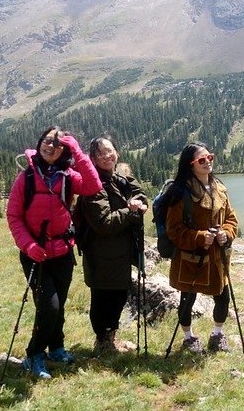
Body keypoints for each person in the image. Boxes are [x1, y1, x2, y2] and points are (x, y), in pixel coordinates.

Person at [6, 126, 102, 379]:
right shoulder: (25, 178)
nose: (51, 146)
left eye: (59, 144)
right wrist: (28, 245)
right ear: (39, 143)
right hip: (35, 254)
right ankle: (34, 354)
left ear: (65, 150)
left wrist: (79, 152)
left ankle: (56, 348)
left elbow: (93, 186)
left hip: (62, 251)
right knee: (48, 307)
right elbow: (14, 216)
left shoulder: (68, 176)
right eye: (48, 141)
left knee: (58, 305)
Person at [165, 141, 238, 354]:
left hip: (217, 256)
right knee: (187, 299)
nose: (208, 163)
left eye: (210, 158)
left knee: (223, 297)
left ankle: (217, 335)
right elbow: (173, 230)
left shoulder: (219, 188)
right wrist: (199, 237)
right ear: (191, 165)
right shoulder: (181, 192)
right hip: (192, 257)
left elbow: (231, 218)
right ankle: (188, 338)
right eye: (202, 160)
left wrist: (227, 232)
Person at [79, 135, 148, 354]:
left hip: (120, 252)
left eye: (109, 150)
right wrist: (131, 211)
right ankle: (103, 341)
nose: (107, 156)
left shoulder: (120, 177)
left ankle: (110, 339)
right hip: (102, 253)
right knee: (103, 298)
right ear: (93, 159)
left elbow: (139, 194)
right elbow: (104, 223)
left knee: (118, 294)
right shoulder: (93, 184)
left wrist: (139, 203)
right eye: (100, 154)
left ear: (116, 151)